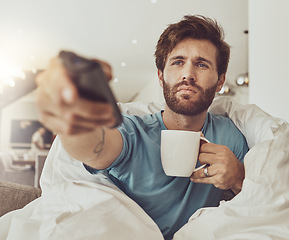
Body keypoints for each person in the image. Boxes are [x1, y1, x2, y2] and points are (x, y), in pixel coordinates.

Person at [36, 15, 249, 240]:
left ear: (220, 81)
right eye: (178, 62)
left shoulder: (230, 136)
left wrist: (238, 178)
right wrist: (75, 124)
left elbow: (266, 204)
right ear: (160, 76)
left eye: (201, 64)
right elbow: (97, 149)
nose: (188, 74)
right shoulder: (134, 132)